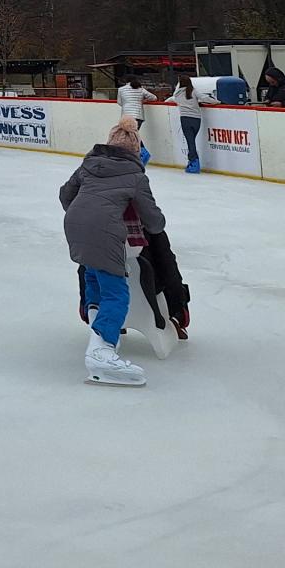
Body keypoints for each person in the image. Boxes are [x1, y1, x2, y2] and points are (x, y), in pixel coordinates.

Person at [60, 119, 165, 387]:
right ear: (135, 150)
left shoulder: (88, 164)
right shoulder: (135, 175)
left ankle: (99, 336)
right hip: (104, 232)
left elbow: (65, 195)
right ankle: (102, 351)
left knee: (94, 278)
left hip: (75, 225)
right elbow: (154, 222)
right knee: (116, 293)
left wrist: (86, 213)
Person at [116, 74, 156, 163]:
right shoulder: (141, 89)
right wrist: (143, 101)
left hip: (126, 116)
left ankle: (143, 152)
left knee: (132, 135)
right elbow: (154, 97)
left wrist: (127, 104)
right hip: (138, 115)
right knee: (133, 135)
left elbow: (119, 102)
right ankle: (140, 153)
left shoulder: (121, 89)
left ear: (126, 81)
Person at [172, 80, 205, 173]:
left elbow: (173, 99)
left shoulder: (177, 94)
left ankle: (194, 163)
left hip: (185, 119)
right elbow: (204, 98)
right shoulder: (193, 91)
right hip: (196, 119)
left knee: (190, 142)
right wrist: (217, 101)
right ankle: (192, 161)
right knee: (191, 141)